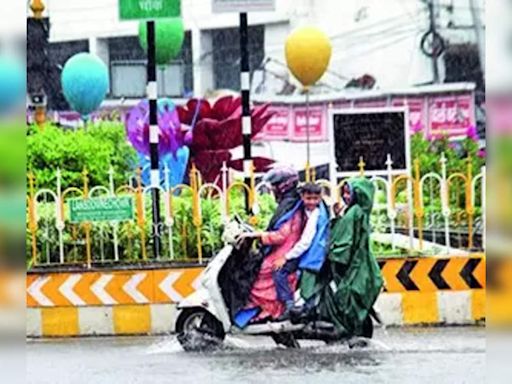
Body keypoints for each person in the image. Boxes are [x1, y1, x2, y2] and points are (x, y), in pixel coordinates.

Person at [271, 183, 323, 320]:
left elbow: (305, 242)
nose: (312, 202)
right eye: (308, 198)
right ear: (302, 197)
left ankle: (289, 304)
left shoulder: (316, 215)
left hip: (311, 255)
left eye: (315, 198)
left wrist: (285, 257)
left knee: (278, 271)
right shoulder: (301, 210)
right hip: (305, 252)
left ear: (320, 198)